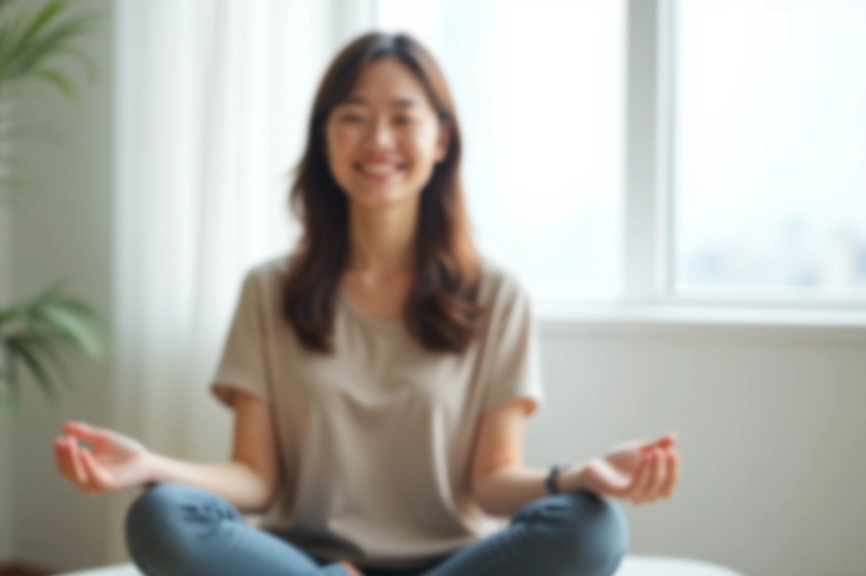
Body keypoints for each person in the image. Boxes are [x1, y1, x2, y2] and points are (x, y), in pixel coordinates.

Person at [53, 32, 681, 576]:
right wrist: (150, 466)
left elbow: (492, 483)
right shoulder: (268, 290)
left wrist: (580, 477)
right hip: (308, 564)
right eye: (353, 117)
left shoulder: (496, 294)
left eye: (404, 118)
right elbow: (256, 479)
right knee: (162, 515)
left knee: (593, 526)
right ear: (325, 139)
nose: (379, 140)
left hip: (454, 564)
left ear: (442, 140)